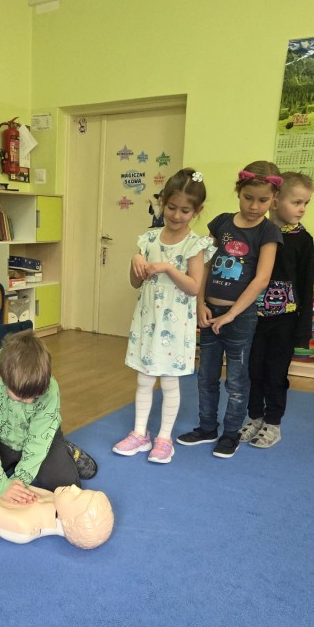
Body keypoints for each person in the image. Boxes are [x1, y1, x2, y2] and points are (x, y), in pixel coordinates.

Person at [176, 161, 284, 458]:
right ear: (239, 192)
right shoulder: (222, 223)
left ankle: (230, 433)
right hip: (210, 313)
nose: (254, 206)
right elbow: (204, 264)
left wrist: (232, 314)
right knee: (206, 377)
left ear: (274, 199)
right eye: (248, 198)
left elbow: (261, 279)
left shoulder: (268, 231)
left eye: (263, 200)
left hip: (239, 318)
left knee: (236, 380)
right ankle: (207, 427)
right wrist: (200, 303)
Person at [113, 168, 212, 464]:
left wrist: (168, 268)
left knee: (169, 383)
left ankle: (164, 438)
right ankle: (139, 433)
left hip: (175, 325)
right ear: (162, 203)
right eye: (171, 207)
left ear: (197, 211)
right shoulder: (149, 239)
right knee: (144, 379)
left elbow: (194, 287)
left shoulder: (194, 244)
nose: (176, 215)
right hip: (148, 322)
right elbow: (135, 283)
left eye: (185, 210)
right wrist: (136, 261)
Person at [239, 172, 314, 448]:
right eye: (296, 202)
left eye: (305, 203)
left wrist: (302, 328)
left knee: (275, 374)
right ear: (275, 201)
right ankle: (254, 417)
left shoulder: (303, 240)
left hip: (284, 321)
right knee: (253, 371)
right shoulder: (259, 232)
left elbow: (306, 284)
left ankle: (273, 423)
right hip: (253, 318)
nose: (302, 209)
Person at [0, 329, 80, 504]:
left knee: (67, 489)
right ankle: (15, 462)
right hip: (3, 441)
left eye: (35, 396)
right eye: (21, 397)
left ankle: (68, 451)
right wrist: (0, 484)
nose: (29, 402)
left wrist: (18, 481)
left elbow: (38, 441)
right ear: (1, 375)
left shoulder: (50, 389)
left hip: (42, 438)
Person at [0, 470, 114, 549]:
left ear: (69, 522)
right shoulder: (54, 499)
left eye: (76, 496)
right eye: (81, 491)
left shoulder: (24, 527)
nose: (74, 488)